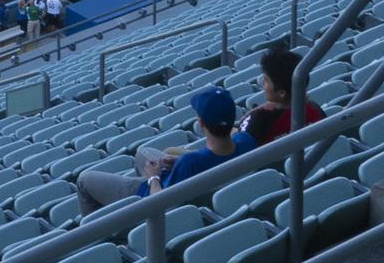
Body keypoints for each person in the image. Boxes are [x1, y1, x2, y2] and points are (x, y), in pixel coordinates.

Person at [74, 86, 252, 213]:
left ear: (201, 123)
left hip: (152, 194)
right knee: (143, 152)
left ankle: (97, 233)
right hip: (200, 183)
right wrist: (178, 161)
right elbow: (215, 158)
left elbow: (163, 206)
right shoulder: (246, 141)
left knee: (84, 179)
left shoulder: (192, 162)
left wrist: (153, 177)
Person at [242, 43, 325, 143]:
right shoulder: (315, 109)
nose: (262, 82)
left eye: (266, 80)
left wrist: (251, 114)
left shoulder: (259, 121)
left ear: (282, 93)